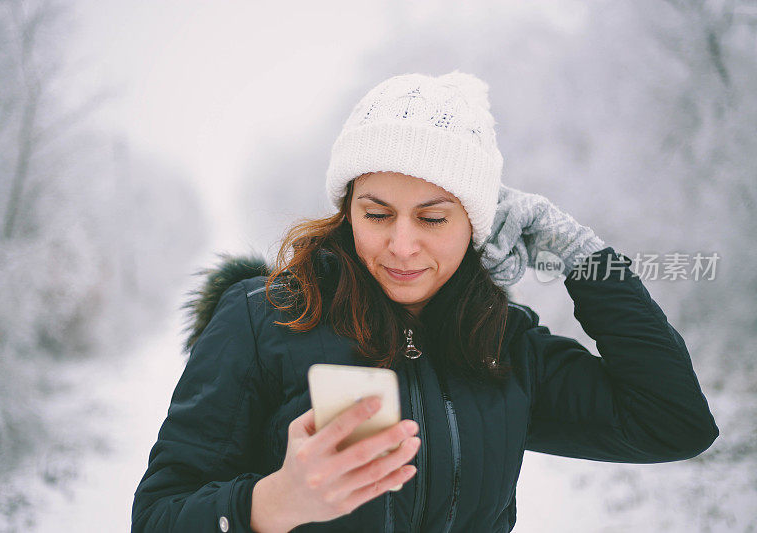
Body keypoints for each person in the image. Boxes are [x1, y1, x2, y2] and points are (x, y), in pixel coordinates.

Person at [131, 71, 719, 533]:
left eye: (433, 218)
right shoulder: (264, 320)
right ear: (347, 209)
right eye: (376, 214)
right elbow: (157, 516)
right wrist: (271, 503)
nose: (402, 246)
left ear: (475, 224)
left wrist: (585, 257)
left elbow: (673, 424)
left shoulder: (503, 345)